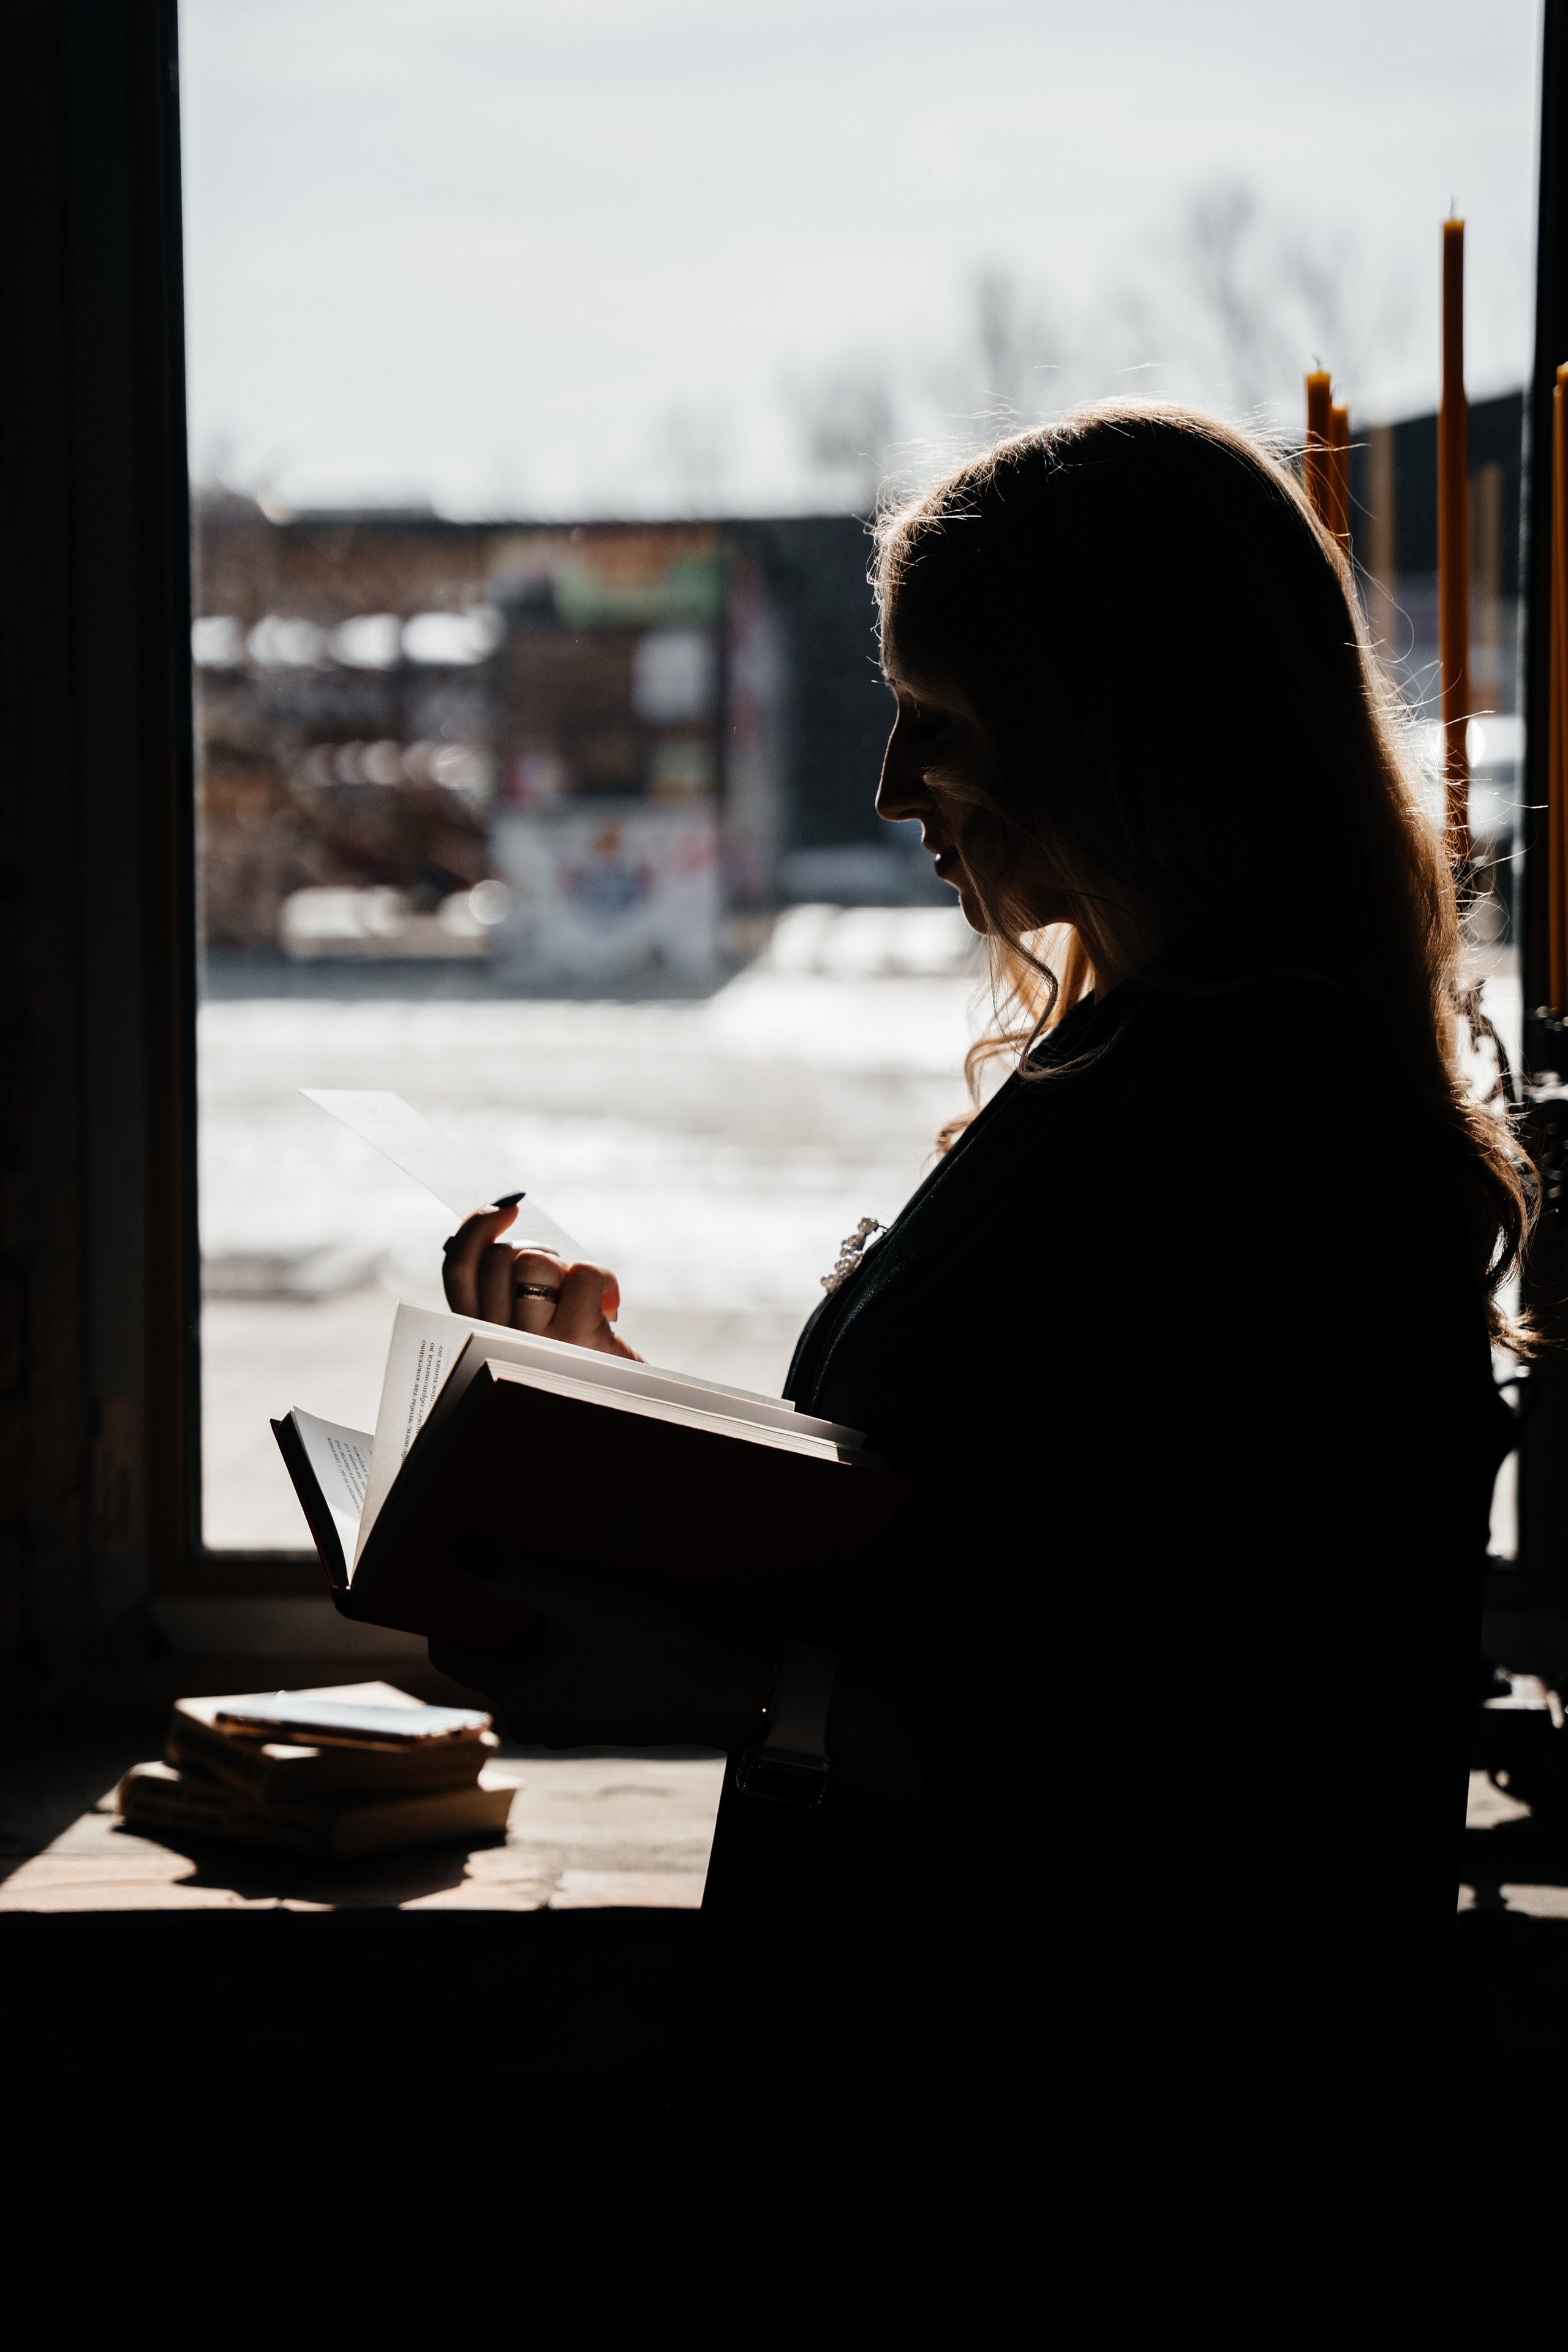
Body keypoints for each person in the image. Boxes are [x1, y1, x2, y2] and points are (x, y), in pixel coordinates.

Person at [431, 406, 1524, 2203]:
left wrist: (725, 1687)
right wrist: (620, 1424)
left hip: (1080, 2123)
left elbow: (1214, 1777)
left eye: (935, 721)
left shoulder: (1296, 1146)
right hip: (937, 2064)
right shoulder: (1112, 1055)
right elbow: (987, 1543)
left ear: (1121, 728)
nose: (886, 788)